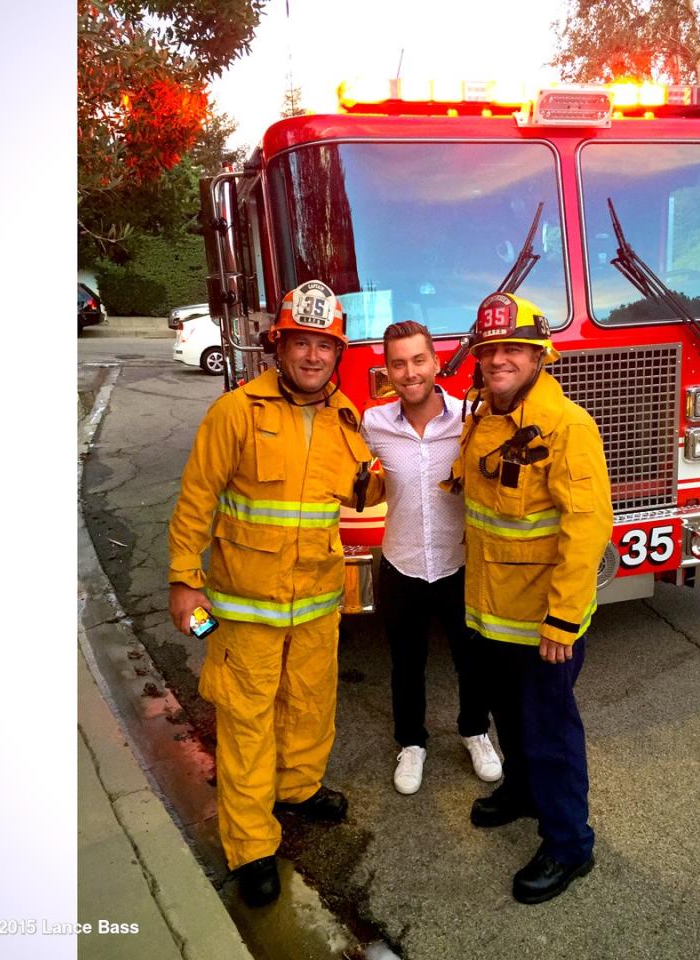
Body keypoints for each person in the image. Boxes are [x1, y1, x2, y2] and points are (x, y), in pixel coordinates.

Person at [166, 281, 379, 908]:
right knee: (246, 723)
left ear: (337, 354)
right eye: (301, 342)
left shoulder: (348, 421)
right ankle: (252, 844)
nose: (313, 356)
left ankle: (298, 788)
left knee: (310, 706)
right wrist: (185, 581)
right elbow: (196, 501)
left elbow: (361, 494)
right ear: (278, 345)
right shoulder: (235, 412)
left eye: (325, 345)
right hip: (243, 612)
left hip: (316, 605)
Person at [442, 291, 613, 905]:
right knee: (511, 721)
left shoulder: (568, 427)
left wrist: (564, 621)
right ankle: (520, 793)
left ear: (540, 355)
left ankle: (570, 845)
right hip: (490, 613)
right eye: (490, 351)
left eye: (513, 349)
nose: (499, 360)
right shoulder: (482, 416)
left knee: (550, 734)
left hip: (544, 622)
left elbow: (587, 528)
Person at [360, 321, 501, 795]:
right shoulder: (372, 424)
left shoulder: (471, 421)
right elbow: (341, 469)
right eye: (398, 363)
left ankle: (475, 732)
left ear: (436, 363)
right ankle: (412, 743)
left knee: (473, 659)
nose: (410, 372)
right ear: (387, 370)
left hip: (460, 563)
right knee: (406, 662)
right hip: (401, 563)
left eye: (418, 360)